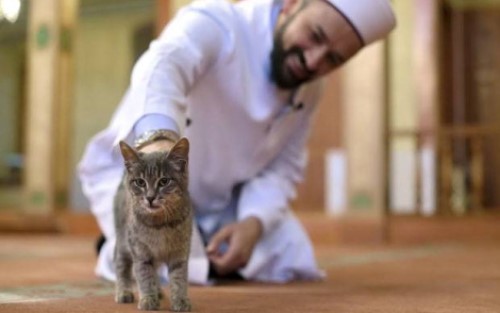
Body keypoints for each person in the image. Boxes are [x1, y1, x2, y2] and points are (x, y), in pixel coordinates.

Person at [78, 0, 396, 284]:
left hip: (220, 204)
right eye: (315, 36)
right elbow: (162, 68)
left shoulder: (311, 88)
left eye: (333, 59)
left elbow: (282, 166)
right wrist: (159, 147)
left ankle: (202, 248)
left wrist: (252, 223)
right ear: (290, 4)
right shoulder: (217, 22)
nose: (313, 61)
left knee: (291, 252)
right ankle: (128, 245)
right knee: (158, 256)